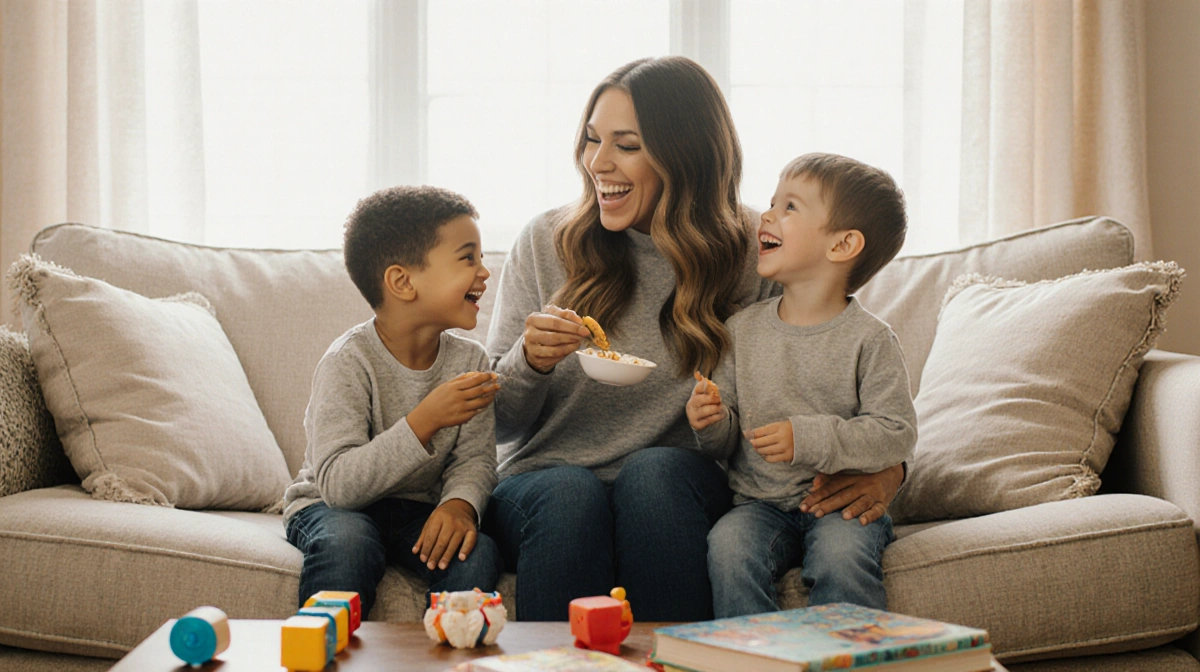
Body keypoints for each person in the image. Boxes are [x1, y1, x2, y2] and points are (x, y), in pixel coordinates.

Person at [483, 56, 906, 621]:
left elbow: (843, 373)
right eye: (590, 140)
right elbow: (495, 423)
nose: (597, 163)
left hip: (678, 490)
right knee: (569, 495)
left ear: (686, 154)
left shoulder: (760, 250)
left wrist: (891, 471)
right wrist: (527, 363)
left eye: (626, 145)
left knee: (654, 473)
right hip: (543, 485)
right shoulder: (546, 241)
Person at [688, 153, 917, 617]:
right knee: (728, 548)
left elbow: (896, 432)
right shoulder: (740, 331)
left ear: (842, 244)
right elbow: (726, 441)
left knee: (842, 557)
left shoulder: (870, 339)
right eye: (773, 202)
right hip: (758, 504)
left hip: (839, 505)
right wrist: (710, 422)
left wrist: (807, 436)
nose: (767, 215)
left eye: (789, 207)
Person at [282, 185, 503, 617]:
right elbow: (339, 486)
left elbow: (475, 459)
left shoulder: (470, 359)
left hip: (416, 511)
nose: (484, 272)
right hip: (331, 507)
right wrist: (424, 421)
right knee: (349, 545)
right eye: (467, 258)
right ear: (403, 281)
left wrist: (459, 505)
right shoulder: (348, 362)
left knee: (475, 554)